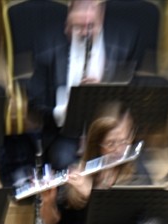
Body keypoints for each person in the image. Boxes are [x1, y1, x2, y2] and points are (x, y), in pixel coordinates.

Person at [39, 105, 153, 224]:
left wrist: (92, 197)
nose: (119, 149)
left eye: (124, 141)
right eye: (111, 143)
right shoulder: (82, 173)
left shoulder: (138, 176)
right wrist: (49, 202)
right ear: (97, 144)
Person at [27, 0, 143, 171]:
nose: (84, 33)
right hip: (66, 135)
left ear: (101, 17)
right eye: (78, 26)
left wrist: (104, 92)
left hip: (112, 133)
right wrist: (65, 110)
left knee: (137, 172)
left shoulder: (125, 39)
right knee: (65, 162)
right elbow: (35, 101)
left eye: (91, 26)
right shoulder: (47, 43)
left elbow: (133, 94)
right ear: (68, 21)